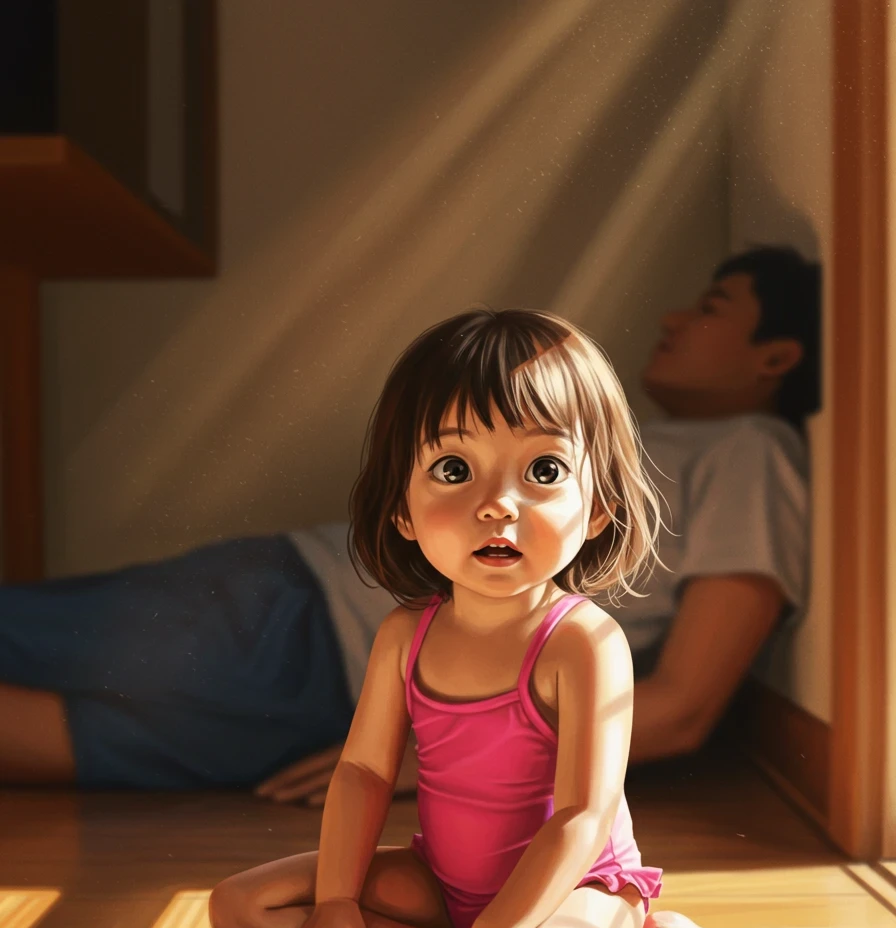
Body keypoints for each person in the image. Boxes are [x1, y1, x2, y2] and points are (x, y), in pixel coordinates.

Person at [0, 243, 817, 796]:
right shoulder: (650, 444)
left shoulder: (749, 449)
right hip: (298, 612)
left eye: (711, 307)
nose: (674, 320)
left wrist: (420, 761)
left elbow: (683, 706)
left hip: (356, 703)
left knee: (56, 745)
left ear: (775, 357)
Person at [208, 305, 760, 928]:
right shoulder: (406, 635)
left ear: (597, 507)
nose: (498, 504)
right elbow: (365, 771)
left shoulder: (582, 642)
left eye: (543, 471)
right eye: (454, 470)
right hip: (444, 883)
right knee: (241, 913)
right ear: (401, 507)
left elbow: (580, 817)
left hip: (577, 889)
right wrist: (337, 902)